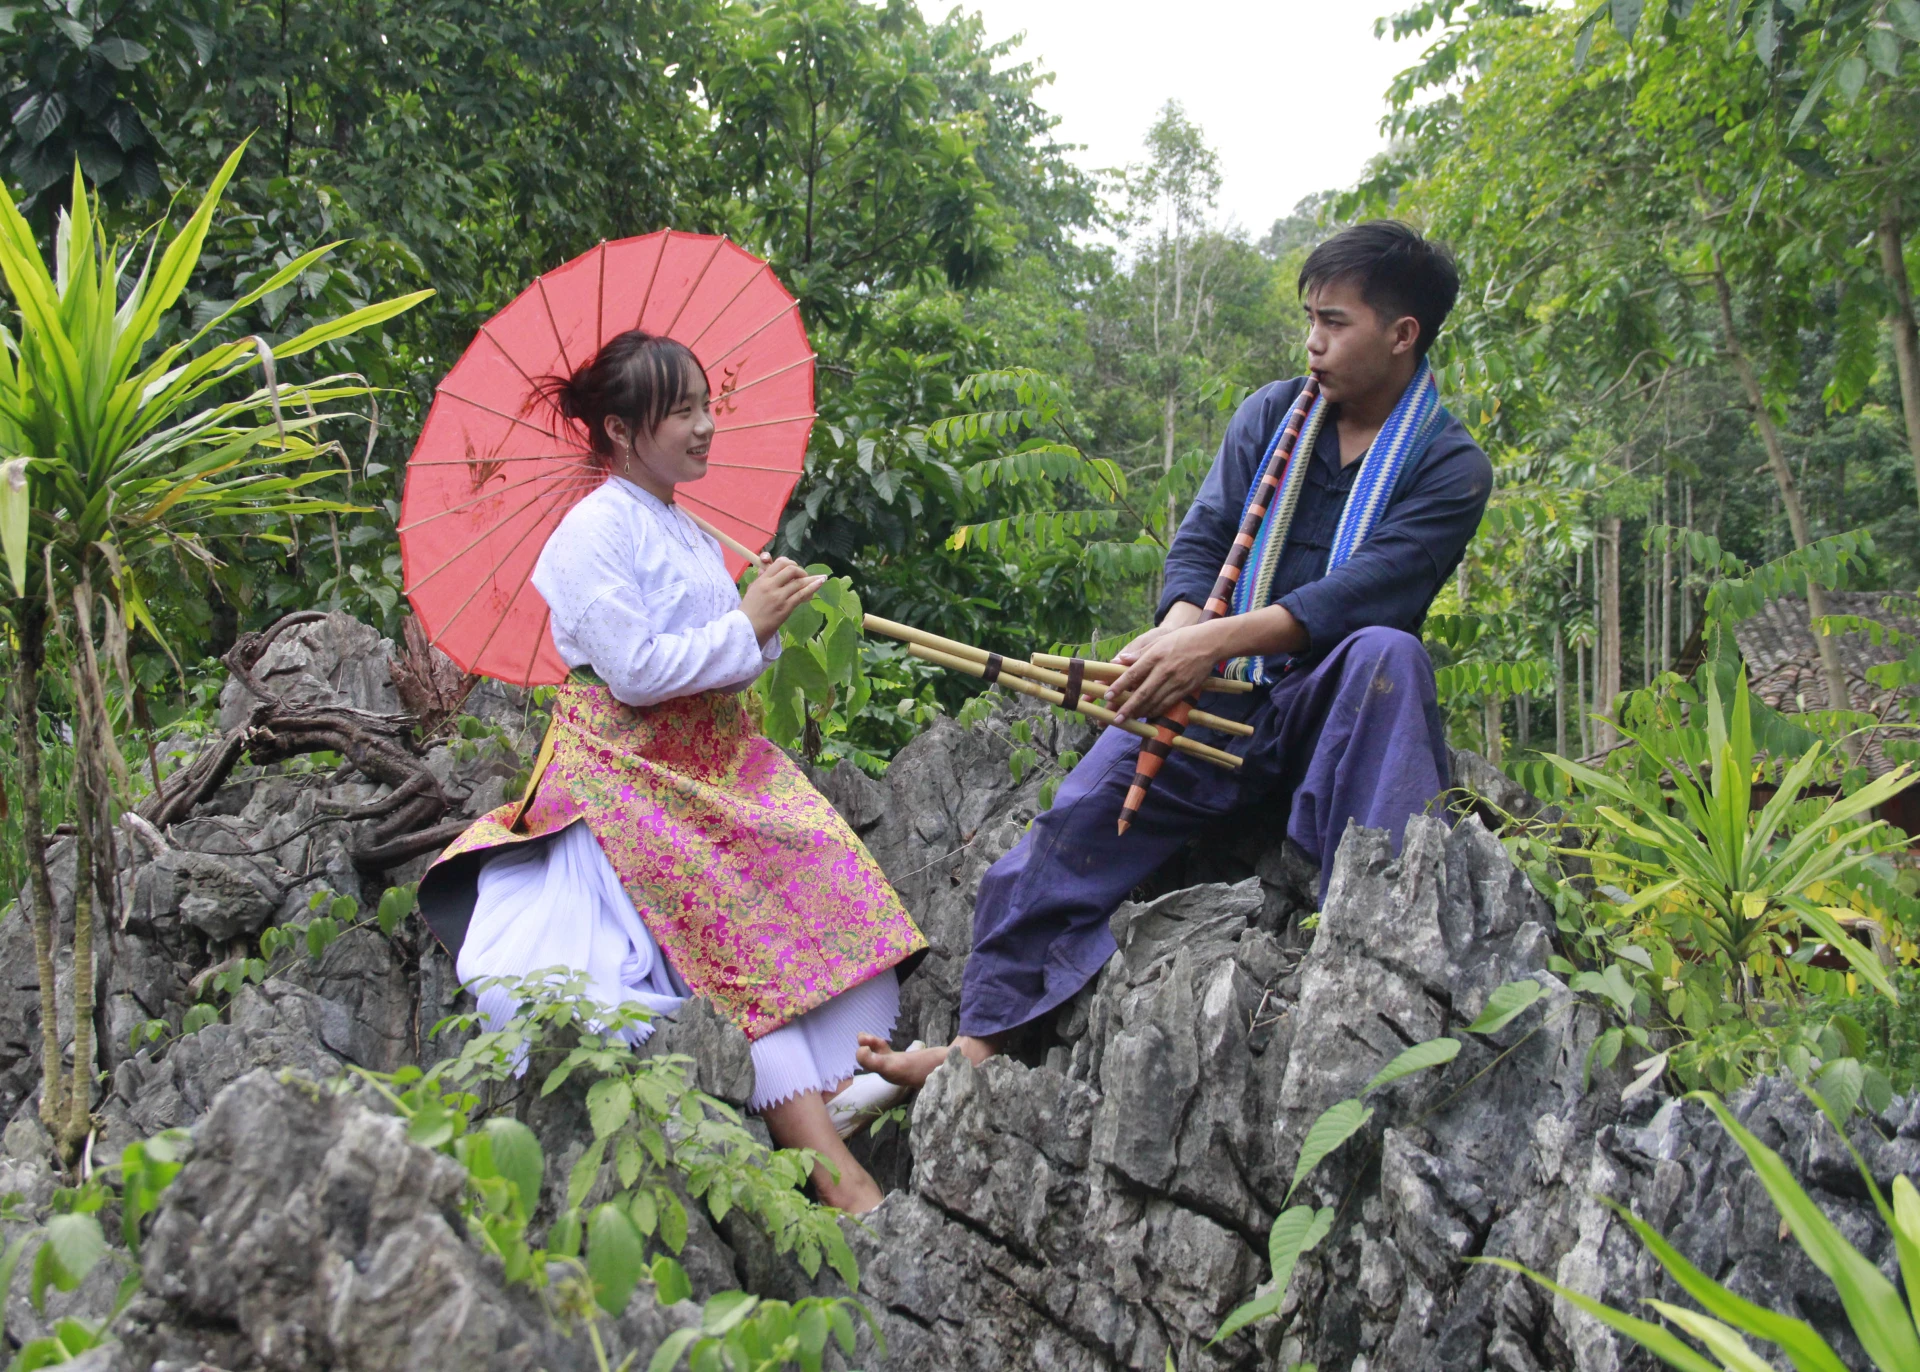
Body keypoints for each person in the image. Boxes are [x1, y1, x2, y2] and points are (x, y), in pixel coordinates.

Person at [857, 221, 1492, 1089]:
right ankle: (976, 1044)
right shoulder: (1272, 416)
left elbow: (1365, 595)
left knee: (1389, 654)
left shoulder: (1450, 464)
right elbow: (1202, 542)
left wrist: (1204, 643)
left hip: (1327, 708)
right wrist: (1173, 635)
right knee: (1075, 821)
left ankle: (1380, 949)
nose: (1312, 342)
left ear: (1402, 334)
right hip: (1221, 695)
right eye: (1309, 318)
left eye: (1334, 322)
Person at [417, 329, 926, 1213]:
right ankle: (838, 1180)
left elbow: (724, 661)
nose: (703, 427)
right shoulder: (587, 534)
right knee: (725, 954)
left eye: (705, 405)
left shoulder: (689, 529)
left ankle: (847, 1088)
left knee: (838, 892)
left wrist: (757, 622)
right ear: (618, 431)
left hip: (719, 765)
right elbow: (638, 672)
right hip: (629, 773)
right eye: (680, 410)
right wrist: (745, 626)